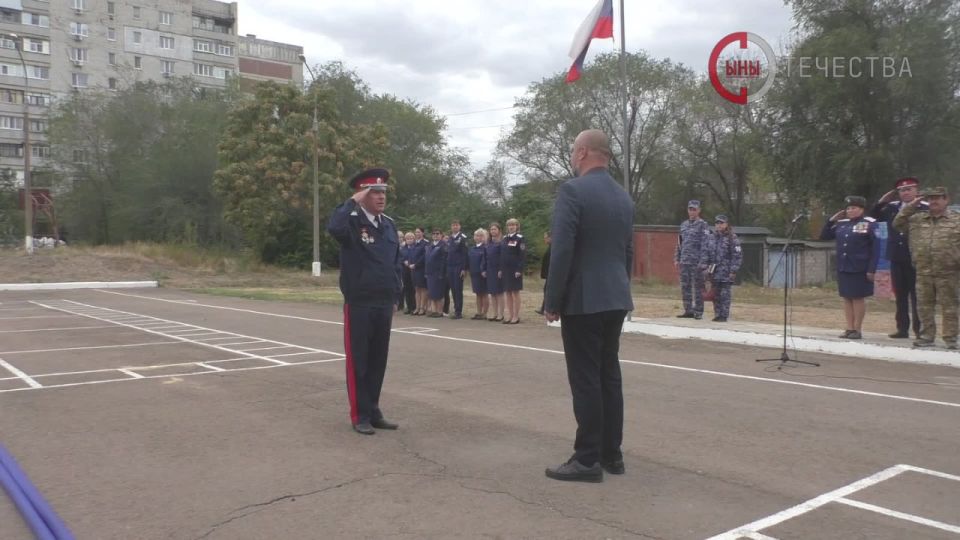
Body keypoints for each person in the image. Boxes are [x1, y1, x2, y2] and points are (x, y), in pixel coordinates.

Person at [543, 129, 634, 483]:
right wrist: (621, 290)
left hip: (583, 299)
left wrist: (553, 299)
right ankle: (613, 454)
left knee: (585, 379)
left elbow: (563, 249)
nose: (571, 157)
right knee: (608, 375)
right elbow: (627, 251)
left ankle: (586, 459)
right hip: (614, 297)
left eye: (572, 152)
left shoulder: (572, 191)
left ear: (581, 153)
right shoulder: (623, 197)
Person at [326, 167, 401, 435]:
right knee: (359, 359)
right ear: (363, 194)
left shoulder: (389, 225)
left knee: (378, 359)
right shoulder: (352, 222)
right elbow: (333, 227)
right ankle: (360, 414)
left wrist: (396, 294)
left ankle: (374, 409)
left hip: (383, 301)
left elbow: (394, 264)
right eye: (375, 192)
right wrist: (352, 202)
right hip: (359, 301)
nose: (381, 197)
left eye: (383, 192)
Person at [893, 187, 960, 349]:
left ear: (946, 200)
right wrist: (913, 204)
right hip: (923, 270)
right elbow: (897, 223)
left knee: (950, 306)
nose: (934, 201)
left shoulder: (956, 220)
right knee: (924, 305)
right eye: (931, 199)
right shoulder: (918, 219)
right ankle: (926, 336)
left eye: (938, 198)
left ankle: (951, 338)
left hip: (948, 271)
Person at [870, 177, 929, 339]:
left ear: (917, 191)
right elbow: (874, 216)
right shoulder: (892, 208)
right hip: (896, 256)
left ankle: (919, 330)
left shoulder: (924, 208)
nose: (906, 192)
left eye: (909, 189)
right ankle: (902, 329)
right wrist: (882, 201)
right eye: (902, 190)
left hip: (916, 257)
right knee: (900, 295)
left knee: (917, 296)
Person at [820, 195, 881, 340]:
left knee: (857, 298)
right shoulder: (842, 224)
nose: (850, 211)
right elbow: (824, 236)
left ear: (861, 209)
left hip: (860, 267)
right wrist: (831, 220)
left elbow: (877, 248)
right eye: (848, 208)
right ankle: (849, 327)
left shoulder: (870, 223)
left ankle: (857, 329)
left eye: (853, 208)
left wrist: (872, 269)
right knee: (847, 297)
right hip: (844, 265)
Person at [700, 215, 742, 322]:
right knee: (716, 294)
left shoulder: (732, 238)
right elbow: (705, 253)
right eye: (717, 223)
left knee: (725, 294)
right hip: (714, 271)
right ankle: (717, 314)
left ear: (726, 224)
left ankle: (724, 315)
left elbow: (737, 255)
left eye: (721, 223)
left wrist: (733, 270)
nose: (719, 225)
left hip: (726, 271)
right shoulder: (711, 237)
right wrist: (704, 267)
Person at [674, 200, 710, 320]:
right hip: (685, 261)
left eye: (694, 209)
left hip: (697, 262)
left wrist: (704, 261)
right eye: (690, 209)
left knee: (698, 287)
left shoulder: (703, 225)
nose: (692, 211)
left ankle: (698, 311)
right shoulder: (683, 225)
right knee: (685, 286)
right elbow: (679, 243)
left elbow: (706, 244)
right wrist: (677, 258)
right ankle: (688, 310)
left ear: (699, 210)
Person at [500, 218, 526, 324]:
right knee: (508, 292)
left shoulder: (520, 238)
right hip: (506, 269)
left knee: (515, 292)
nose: (511, 227)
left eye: (513, 225)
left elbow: (522, 255)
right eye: (509, 225)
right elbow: (502, 255)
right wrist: (500, 269)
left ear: (517, 226)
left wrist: (519, 269)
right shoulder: (504, 238)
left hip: (515, 269)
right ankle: (510, 315)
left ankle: (516, 316)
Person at [445, 220, 468, 319]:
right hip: (450, 266)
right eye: (453, 225)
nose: (454, 227)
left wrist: (464, 268)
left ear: (459, 226)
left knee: (458, 289)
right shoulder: (449, 238)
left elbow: (465, 254)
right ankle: (455, 309)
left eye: (456, 225)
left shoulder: (463, 238)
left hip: (459, 266)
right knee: (453, 289)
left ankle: (458, 311)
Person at [484, 222, 505, 321]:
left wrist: (501, 269)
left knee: (499, 293)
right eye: (491, 229)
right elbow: (485, 257)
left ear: (499, 230)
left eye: (495, 229)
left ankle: (501, 314)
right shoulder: (488, 243)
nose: (493, 231)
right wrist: (484, 269)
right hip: (490, 269)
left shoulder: (502, 242)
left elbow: (502, 257)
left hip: (498, 270)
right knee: (492, 293)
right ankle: (495, 313)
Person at [425, 228, 447, 318]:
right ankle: (434, 310)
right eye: (434, 233)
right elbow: (427, 260)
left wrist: (442, 273)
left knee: (439, 293)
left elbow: (444, 261)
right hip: (430, 272)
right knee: (432, 292)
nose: (435, 235)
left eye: (437, 234)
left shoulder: (443, 245)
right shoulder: (430, 246)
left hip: (439, 272)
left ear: (441, 235)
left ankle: (440, 311)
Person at [468, 228, 490, 320]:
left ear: (484, 237)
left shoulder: (485, 247)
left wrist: (483, 271)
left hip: (482, 274)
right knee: (478, 293)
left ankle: (485, 313)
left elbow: (486, 261)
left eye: (481, 235)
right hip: (474, 273)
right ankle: (479, 312)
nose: (478, 237)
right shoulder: (472, 248)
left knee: (484, 293)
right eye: (476, 235)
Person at [410, 227, 428, 316]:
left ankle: (422, 308)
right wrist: (409, 263)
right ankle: (417, 307)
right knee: (416, 288)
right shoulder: (413, 243)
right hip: (413, 269)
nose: (417, 234)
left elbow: (424, 257)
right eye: (416, 232)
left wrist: (416, 265)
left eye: (419, 232)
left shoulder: (425, 243)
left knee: (423, 289)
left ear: (422, 233)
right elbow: (411, 255)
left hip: (421, 269)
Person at [399, 232, 418, 315]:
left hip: (413, 270)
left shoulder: (415, 247)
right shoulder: (403, 248)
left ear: (414, 239)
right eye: (407, 238)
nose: (409, 240)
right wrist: (404, 261)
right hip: (405, 270)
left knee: (413, 289)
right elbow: (400, 257)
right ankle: (409, 306)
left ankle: (414, 306)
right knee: (407, 289)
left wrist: (411, 262)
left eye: (411, 238)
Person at [535, 230, 551, 315]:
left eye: (546, 238)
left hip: (551, 274)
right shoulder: (550, 247)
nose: (544, 240)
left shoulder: (553, 247)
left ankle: (546, 308)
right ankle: (544, 307)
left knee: (547, 290)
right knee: (546, 290)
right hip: (548, 273)